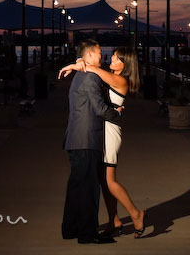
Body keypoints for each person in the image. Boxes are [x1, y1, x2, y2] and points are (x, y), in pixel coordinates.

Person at [59, 46, 146, 238]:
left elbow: (94, 70)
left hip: (110, 131)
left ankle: (136, 214)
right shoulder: (110, 75)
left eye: (116, 58)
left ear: (125, 64)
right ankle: (114, 220)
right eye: (112, 56)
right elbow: (92, 69)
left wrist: (76, 65)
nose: (110, 59)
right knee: (103, 180)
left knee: (109, 180)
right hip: (101, 130)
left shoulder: (120, 79)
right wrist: (80, 63)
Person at [61, 39, 123, 244]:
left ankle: (70, 229)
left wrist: (77, 62)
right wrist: (116, 114)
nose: (101, 56)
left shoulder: (81, 74)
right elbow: (99, 109)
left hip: (75, 138)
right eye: (98, 53)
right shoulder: (91, 78)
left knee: (76, 187)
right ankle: (88, 234)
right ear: (88, 56)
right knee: (89, 189)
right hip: (87, 139)